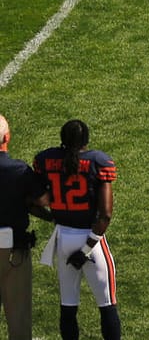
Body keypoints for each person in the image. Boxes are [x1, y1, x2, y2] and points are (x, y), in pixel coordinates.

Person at [34, 121, 119, 340]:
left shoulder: (46, 159)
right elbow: (105, 214)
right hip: (90, 241)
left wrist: (53, 216)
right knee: (107, 304)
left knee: (68, 305)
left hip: (63, 238)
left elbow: (32, 199)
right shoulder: (97, 161)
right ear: (86, 140)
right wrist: (86, 250)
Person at [0, 113, 47, 340]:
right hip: (13, 251)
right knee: (18, 320)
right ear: (7, 137)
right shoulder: (19, 170)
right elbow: (43, 200)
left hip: (13, 246)